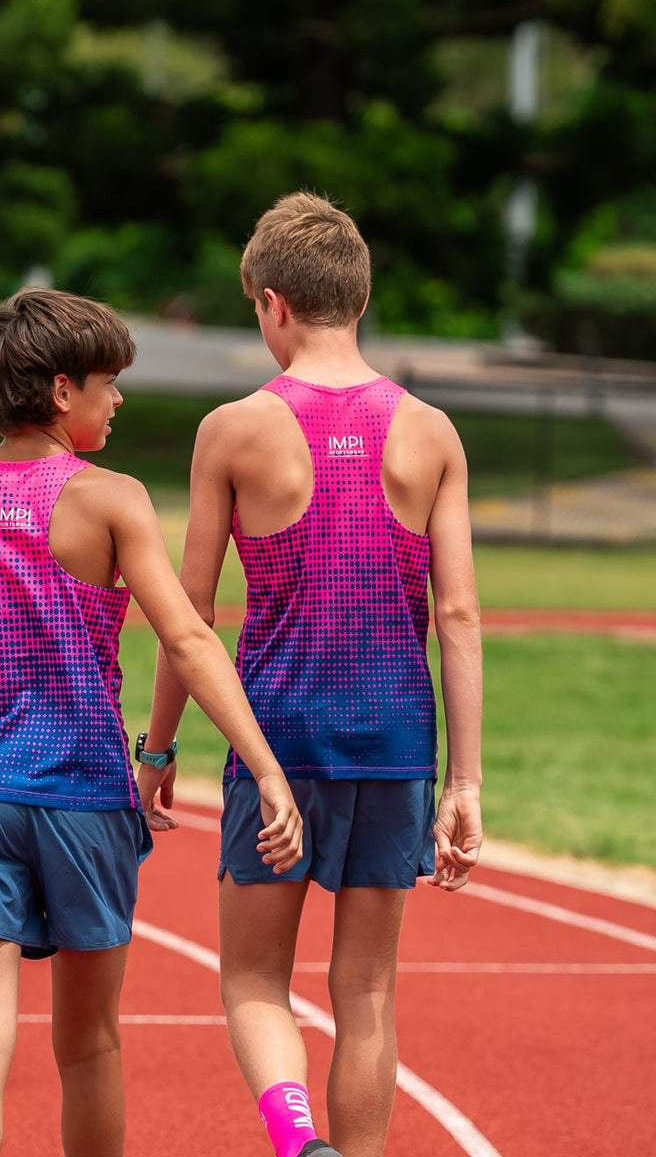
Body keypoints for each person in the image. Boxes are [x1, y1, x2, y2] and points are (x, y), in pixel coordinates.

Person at [0, 286, 304, 1157]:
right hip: (84, 794)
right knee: (88, 1042)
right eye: (108, 382)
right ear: (62, 392)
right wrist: (265, 766)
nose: (119, 398)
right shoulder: (113, 499)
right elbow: (190, 638)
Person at [139, 191, 484, 1157]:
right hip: (396, 746)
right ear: (360, 300)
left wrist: (158, 748)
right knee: (366, 991)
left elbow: (190, 617)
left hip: (278, 749)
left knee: (252, 980)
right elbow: (456, 613)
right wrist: (465, 780)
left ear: (273, 303)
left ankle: (299, 1143)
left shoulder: (235, 429)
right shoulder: (431, 432)